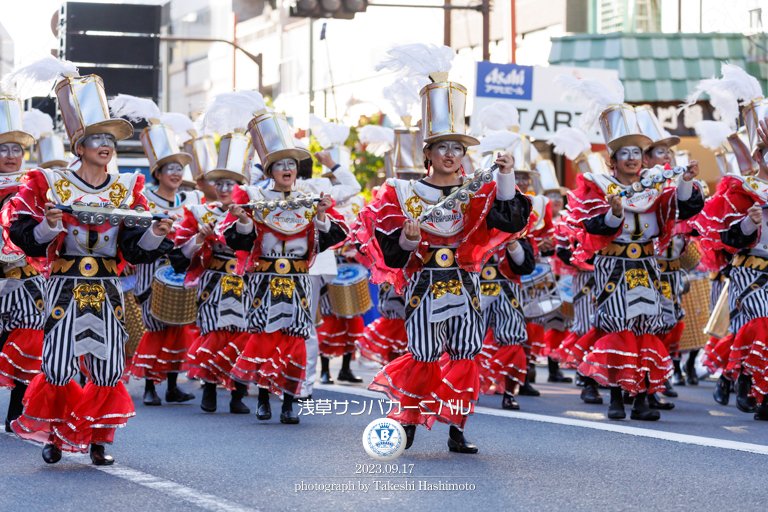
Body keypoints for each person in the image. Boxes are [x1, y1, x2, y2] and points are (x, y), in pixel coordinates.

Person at [356, 43, 531, 453]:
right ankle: (409, 423)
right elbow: (389, 253)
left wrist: (506, 178)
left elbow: (510, 221)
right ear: (428, 152)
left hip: (466, 284)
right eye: (443, 147)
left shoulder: (478, 191)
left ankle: (456, 430)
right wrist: (407, 239)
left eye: (458, 148)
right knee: (424, 354)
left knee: (466, 353)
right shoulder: (401, 192)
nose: (451, 155)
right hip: (424, 285)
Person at [7, 72, 174, 465]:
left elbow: (134, 247)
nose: (107, 146)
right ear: (79, 147)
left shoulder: (127, 188)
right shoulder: (50, 184)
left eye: (111, 140)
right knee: (59, 363)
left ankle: (98, 440)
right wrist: (49, 225)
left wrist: (156, 233)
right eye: (98, 139)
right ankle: (55, 434)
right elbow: (23, 235)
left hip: (109, 288)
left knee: (107, 363)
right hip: (64, 284)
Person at [559, 75, 703, 421]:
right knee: (618, 327)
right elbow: (590, 225)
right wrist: (615, 212)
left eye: (637, 153)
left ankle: (641, 399)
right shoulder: (599, 187)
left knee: (648, 328)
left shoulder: (655, 186)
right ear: (613, 160)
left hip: (647, 266)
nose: (632, 159)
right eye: (624, 154)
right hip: (614, 266)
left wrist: (685, 181)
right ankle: (617, 397)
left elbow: (683, 209)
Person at [222, 103, 348, 424]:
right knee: (265, 334)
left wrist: (320, 214)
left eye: (292, 163)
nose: (288, 168)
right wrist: (244, 221)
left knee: (295, 337)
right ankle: (264, 397)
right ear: (270, 171)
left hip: (298, 278)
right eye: (281, 164)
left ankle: (290, 401)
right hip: (263, 277)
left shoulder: (309, 198)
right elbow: (235, 240)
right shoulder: (252, 197)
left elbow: (333, 235)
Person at [109, 97, 198, 406]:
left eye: (179, 169)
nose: (175, 173)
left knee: (178, 327)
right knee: (154, 325)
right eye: (169, 168)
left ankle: (172, 384)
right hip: (149, 270)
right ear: (158, 173)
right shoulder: (142, 200)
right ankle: (149, 385)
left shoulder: (189, 201)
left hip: (179, 270)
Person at [0, 98, 45, 433]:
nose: (11, 155)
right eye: (3, 148)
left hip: (25, 276)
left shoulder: (34, 188)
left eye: (16, 148)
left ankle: (17, 411)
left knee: (30, 337)